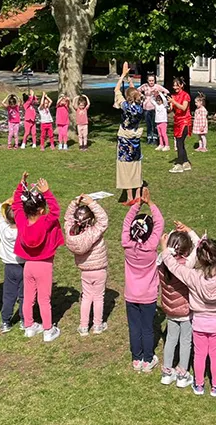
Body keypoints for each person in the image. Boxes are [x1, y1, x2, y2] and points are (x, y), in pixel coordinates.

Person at [163, 232, 216, 398]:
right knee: (215, 355)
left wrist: (164, 248)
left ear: (199, 259)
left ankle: (198, 385)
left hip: (198, 322)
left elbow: (173, 266)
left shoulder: (193, 276)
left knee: (199, 354)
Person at [12, 173, 64, 342]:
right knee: (44, 299)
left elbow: (16, 205)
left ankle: (29, 326)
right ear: (41, 210)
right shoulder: (45, 222)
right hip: (44, 266)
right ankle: (48, 330)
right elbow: (56, 211)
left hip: (28, 265)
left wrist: (21, 186)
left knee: (28, 298)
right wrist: (47, 192)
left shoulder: (21, 221)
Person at [121, 188, 165, 371]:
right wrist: (150, 203)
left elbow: (126, 222)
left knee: (134, 327)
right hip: (148, 295)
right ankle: (148, 359)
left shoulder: (126, 244)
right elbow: (160, 222)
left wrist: (137, 205)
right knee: (147, 328)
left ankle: (136, 358)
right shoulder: (151, 246)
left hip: (131, 295)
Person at [65, 195, 110, 335]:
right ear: (90, 220)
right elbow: (103, 220)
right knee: (98, 297)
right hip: (99, 269)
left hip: (85, 270)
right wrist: (92, 203)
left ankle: (83, 326)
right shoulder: (93, 232)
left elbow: (67, 218)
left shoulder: (70, 232)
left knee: (86, 297)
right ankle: (97, 325)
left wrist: (74, 203)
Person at [158, 227, 194, 388]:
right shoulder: (187, 264)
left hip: (170, 310)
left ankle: (167, 373)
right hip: (186, 311)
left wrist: (164, 245)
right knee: (185, 341)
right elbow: (199, 244)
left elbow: (165, 255)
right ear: (186, 251)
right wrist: (189, 231)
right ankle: (182, 374)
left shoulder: (160, 262)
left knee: (171, 339)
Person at [113, 63, 146, 204]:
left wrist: (122, 76)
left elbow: (116, 90)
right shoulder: (140, 106)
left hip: (125, 137)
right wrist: (129, 79)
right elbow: (135, 93)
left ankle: (129, 197)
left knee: (125, 166)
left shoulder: (125, 106)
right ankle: (138, 194)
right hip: (135, 137)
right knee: (136, 164)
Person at [0, 201, 25, 333]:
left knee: (8, 295)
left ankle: (5, 322)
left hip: (9, 267)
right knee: (24, 295)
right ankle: (24, 321)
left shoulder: (3, 229)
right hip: (23, 266)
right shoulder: (25, 231)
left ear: (6, 218)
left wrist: (6, 202)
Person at [169, 77, 193, 173]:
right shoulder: (173, 96)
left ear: (181, 85)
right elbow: (171, 109)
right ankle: (186, 163)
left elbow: (183, 108)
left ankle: (179, 164)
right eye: (174, 85)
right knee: (180, 143)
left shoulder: (186, 95)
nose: (175, 87)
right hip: (177, 121)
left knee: (179, 143)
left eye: (177, 85)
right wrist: (167, 105)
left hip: (185, 122)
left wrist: (174, 102)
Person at [138, 73, 168, 145]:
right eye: (150, 80)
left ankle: (155, 137)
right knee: (148, 124)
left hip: (155, 108)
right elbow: (137, 90)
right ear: (147, 80)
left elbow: (166, 91)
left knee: (155, 123)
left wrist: (159, 94)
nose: (151, 82)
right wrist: (142, 95)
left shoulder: (157, 86)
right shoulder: (145, 86)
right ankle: (149, 137)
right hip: (146, 107)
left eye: (152, 80)